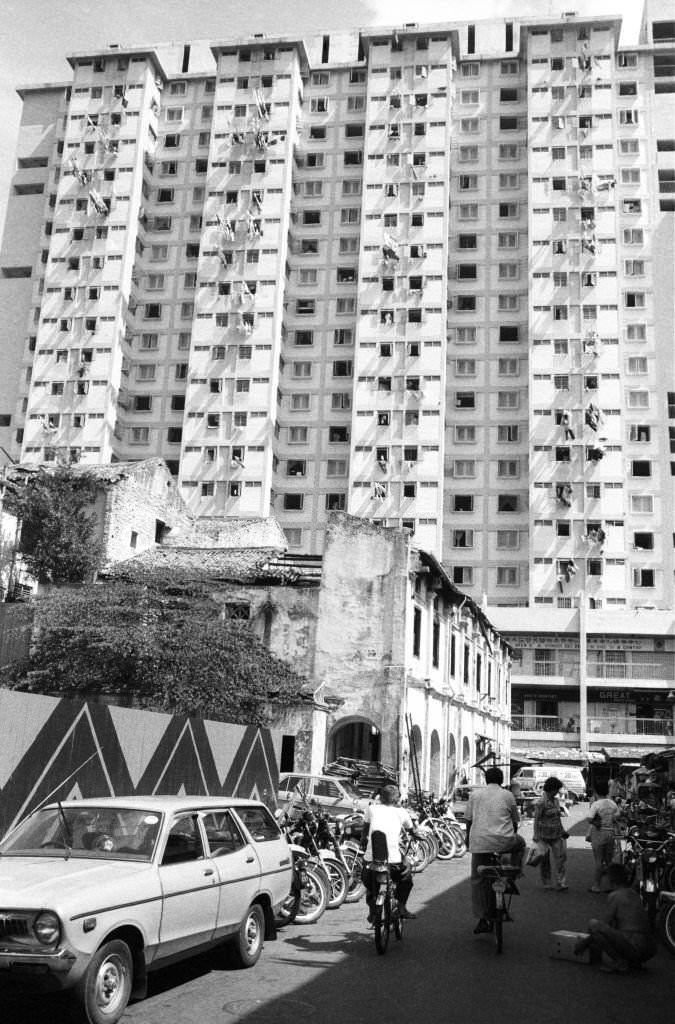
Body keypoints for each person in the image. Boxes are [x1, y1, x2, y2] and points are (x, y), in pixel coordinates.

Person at [464, 767, 526, 934]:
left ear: (486, 780)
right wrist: (509, 836)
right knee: (520, 844)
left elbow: (468, 821)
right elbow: (514, 822)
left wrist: (468, 840)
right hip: (504, 842)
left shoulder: (475, 795)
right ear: (501, 781)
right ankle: (514, 871)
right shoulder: (508, 795)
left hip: (479, 843)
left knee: (477, 879)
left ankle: (482, 919)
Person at [574, 863, 657, 972]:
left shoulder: (615, 895)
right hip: (649, 948)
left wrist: (584, 943)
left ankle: (620, 961)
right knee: (604, 931)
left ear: (612, 880)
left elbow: (603, 926)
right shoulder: (634, 894)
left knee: (593, 924)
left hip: (634, 945)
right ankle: (632, 962)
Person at [359, 783, 418, 922]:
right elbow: (412, 830)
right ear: (397, 799)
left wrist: (363, 839)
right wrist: (417, 834)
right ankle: (401, 907)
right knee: (406, 879)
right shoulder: (401, 812)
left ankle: (373, 909)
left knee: (371, 886)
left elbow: (365, 829)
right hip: (393, 862)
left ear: (380, 797)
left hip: (371, 861)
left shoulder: (371, 808)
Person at [532, 777, 569, 891]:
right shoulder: (541, 802)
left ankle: (561, 882)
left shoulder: (556, 801)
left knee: (560, 859)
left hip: (557, 834)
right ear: (551, 789)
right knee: (545, 860)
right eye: (556, 790)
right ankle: (546, 882)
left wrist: (563, 831)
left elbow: (558, 818)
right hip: (543, 835)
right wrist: (536, 835)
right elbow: (536, 819)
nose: (557, 792)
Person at [585, 779, 620, 893]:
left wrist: (597, 822)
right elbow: (618, 815)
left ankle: (596, 886)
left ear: (595, 792)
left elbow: (589, 819)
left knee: (599, 860)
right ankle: (611, 886)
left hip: (599, 833)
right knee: (609, 860)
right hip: (610, 832)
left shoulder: (596, 804)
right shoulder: (612, 803)